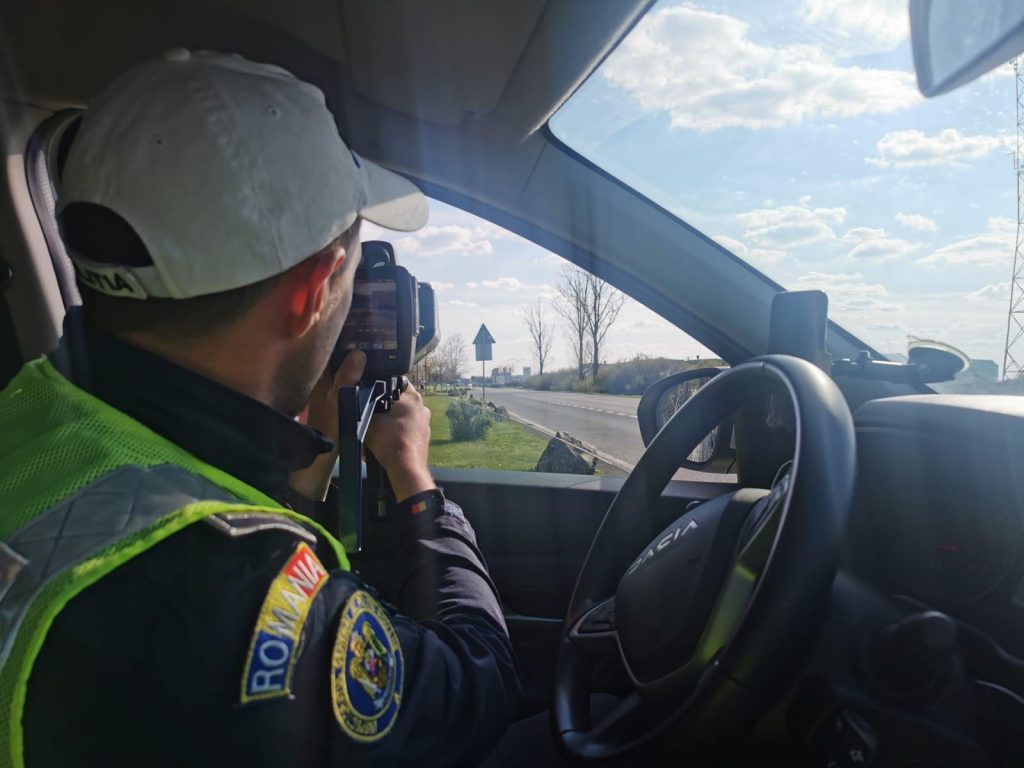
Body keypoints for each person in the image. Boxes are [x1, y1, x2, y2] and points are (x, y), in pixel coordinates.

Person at [0, 50, 519, 767]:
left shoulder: (28, 409)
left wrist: (304, 469)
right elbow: (474, 687)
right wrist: (415, 480)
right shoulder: (234, 590)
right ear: (314, 291)